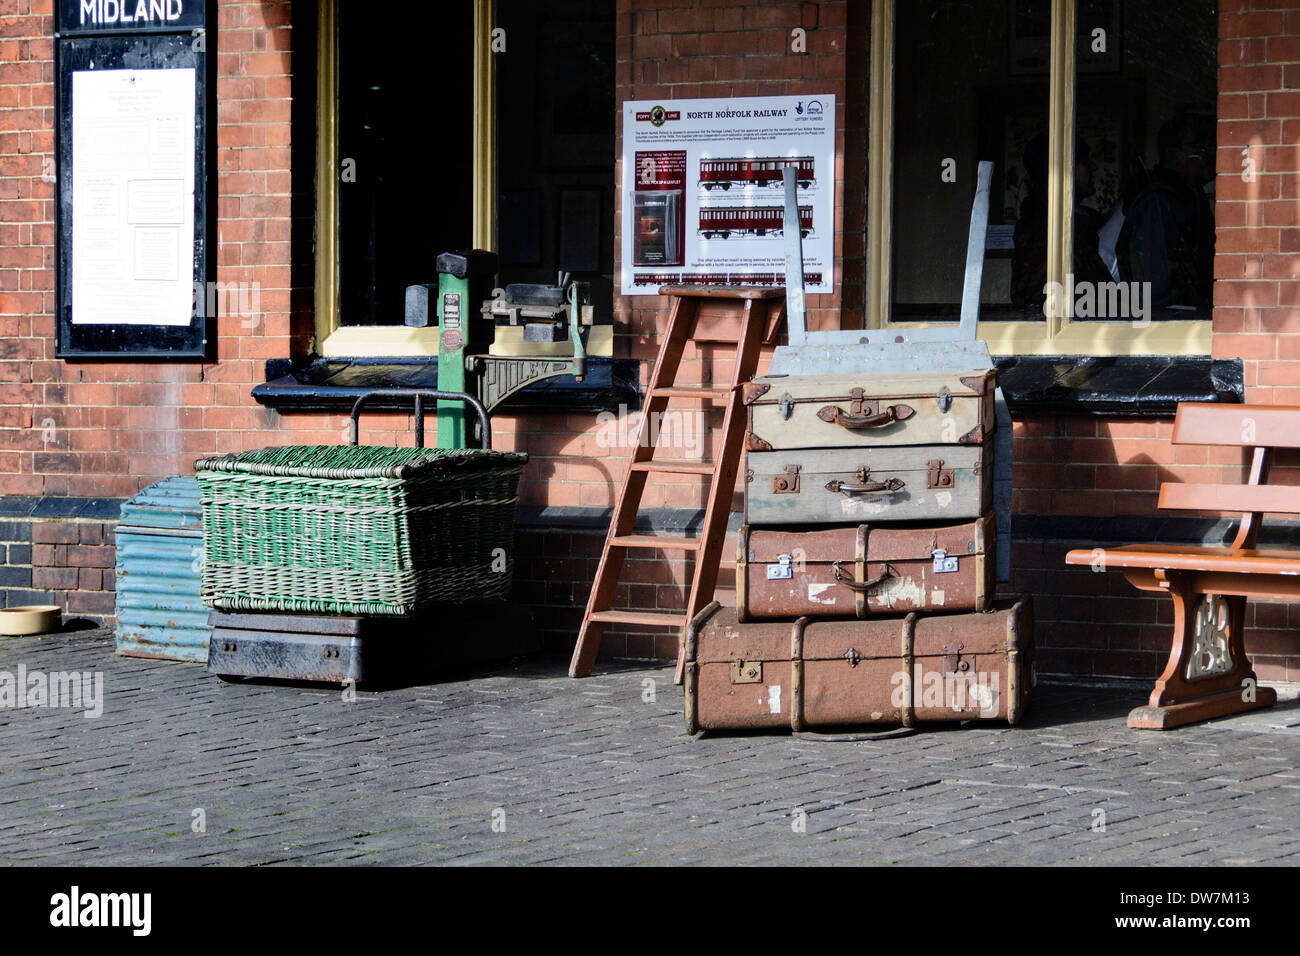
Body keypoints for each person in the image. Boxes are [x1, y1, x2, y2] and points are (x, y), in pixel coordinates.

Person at [1116, 113, 1215, 313]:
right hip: (1170, 323)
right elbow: (1152, 282)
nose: (1206, 156)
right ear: (1174, 157)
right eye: (1198, 148)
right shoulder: (1157, 201)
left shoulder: (1190, 196)